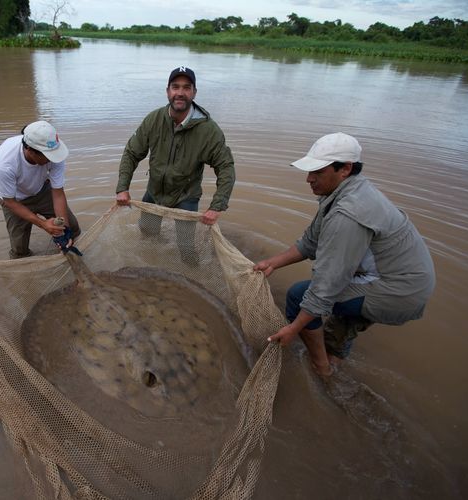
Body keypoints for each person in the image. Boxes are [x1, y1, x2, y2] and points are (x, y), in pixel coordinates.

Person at [253, 133, 435, 377]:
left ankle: (322, 367)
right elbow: (310, 243)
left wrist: (294, 329)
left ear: (345, 169)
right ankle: (336, 358)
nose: (308, 178)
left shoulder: (348, 213)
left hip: (400, 289)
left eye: (317, 171)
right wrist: (271, 263)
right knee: (337, 308)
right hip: (396, 277)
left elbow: (327, 283)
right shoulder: (345, 191)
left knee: (299, 297)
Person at [115, 66, 235, 226]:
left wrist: (217, 206)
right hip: (154, 192)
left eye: (186, 88)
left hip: (186, 197)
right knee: (146, 232)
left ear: (194, 92)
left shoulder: (209, 130)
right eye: (175, 87)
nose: (180, 93)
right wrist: (122, 187)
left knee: (186, 247)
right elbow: (131, 153)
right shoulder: (154, 119)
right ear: (168, 91)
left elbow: (226, 167)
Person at [0, 120, 81, 259]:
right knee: (19, 251)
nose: (52, 159)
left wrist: (65, 232)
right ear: (29, 149)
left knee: (73, 228)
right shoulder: (5, 163)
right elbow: (9, 201)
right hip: (15, 199)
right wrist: (43, 224)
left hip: (42, 190)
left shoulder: (54, 150)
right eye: (47, 156)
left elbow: (58, 193)